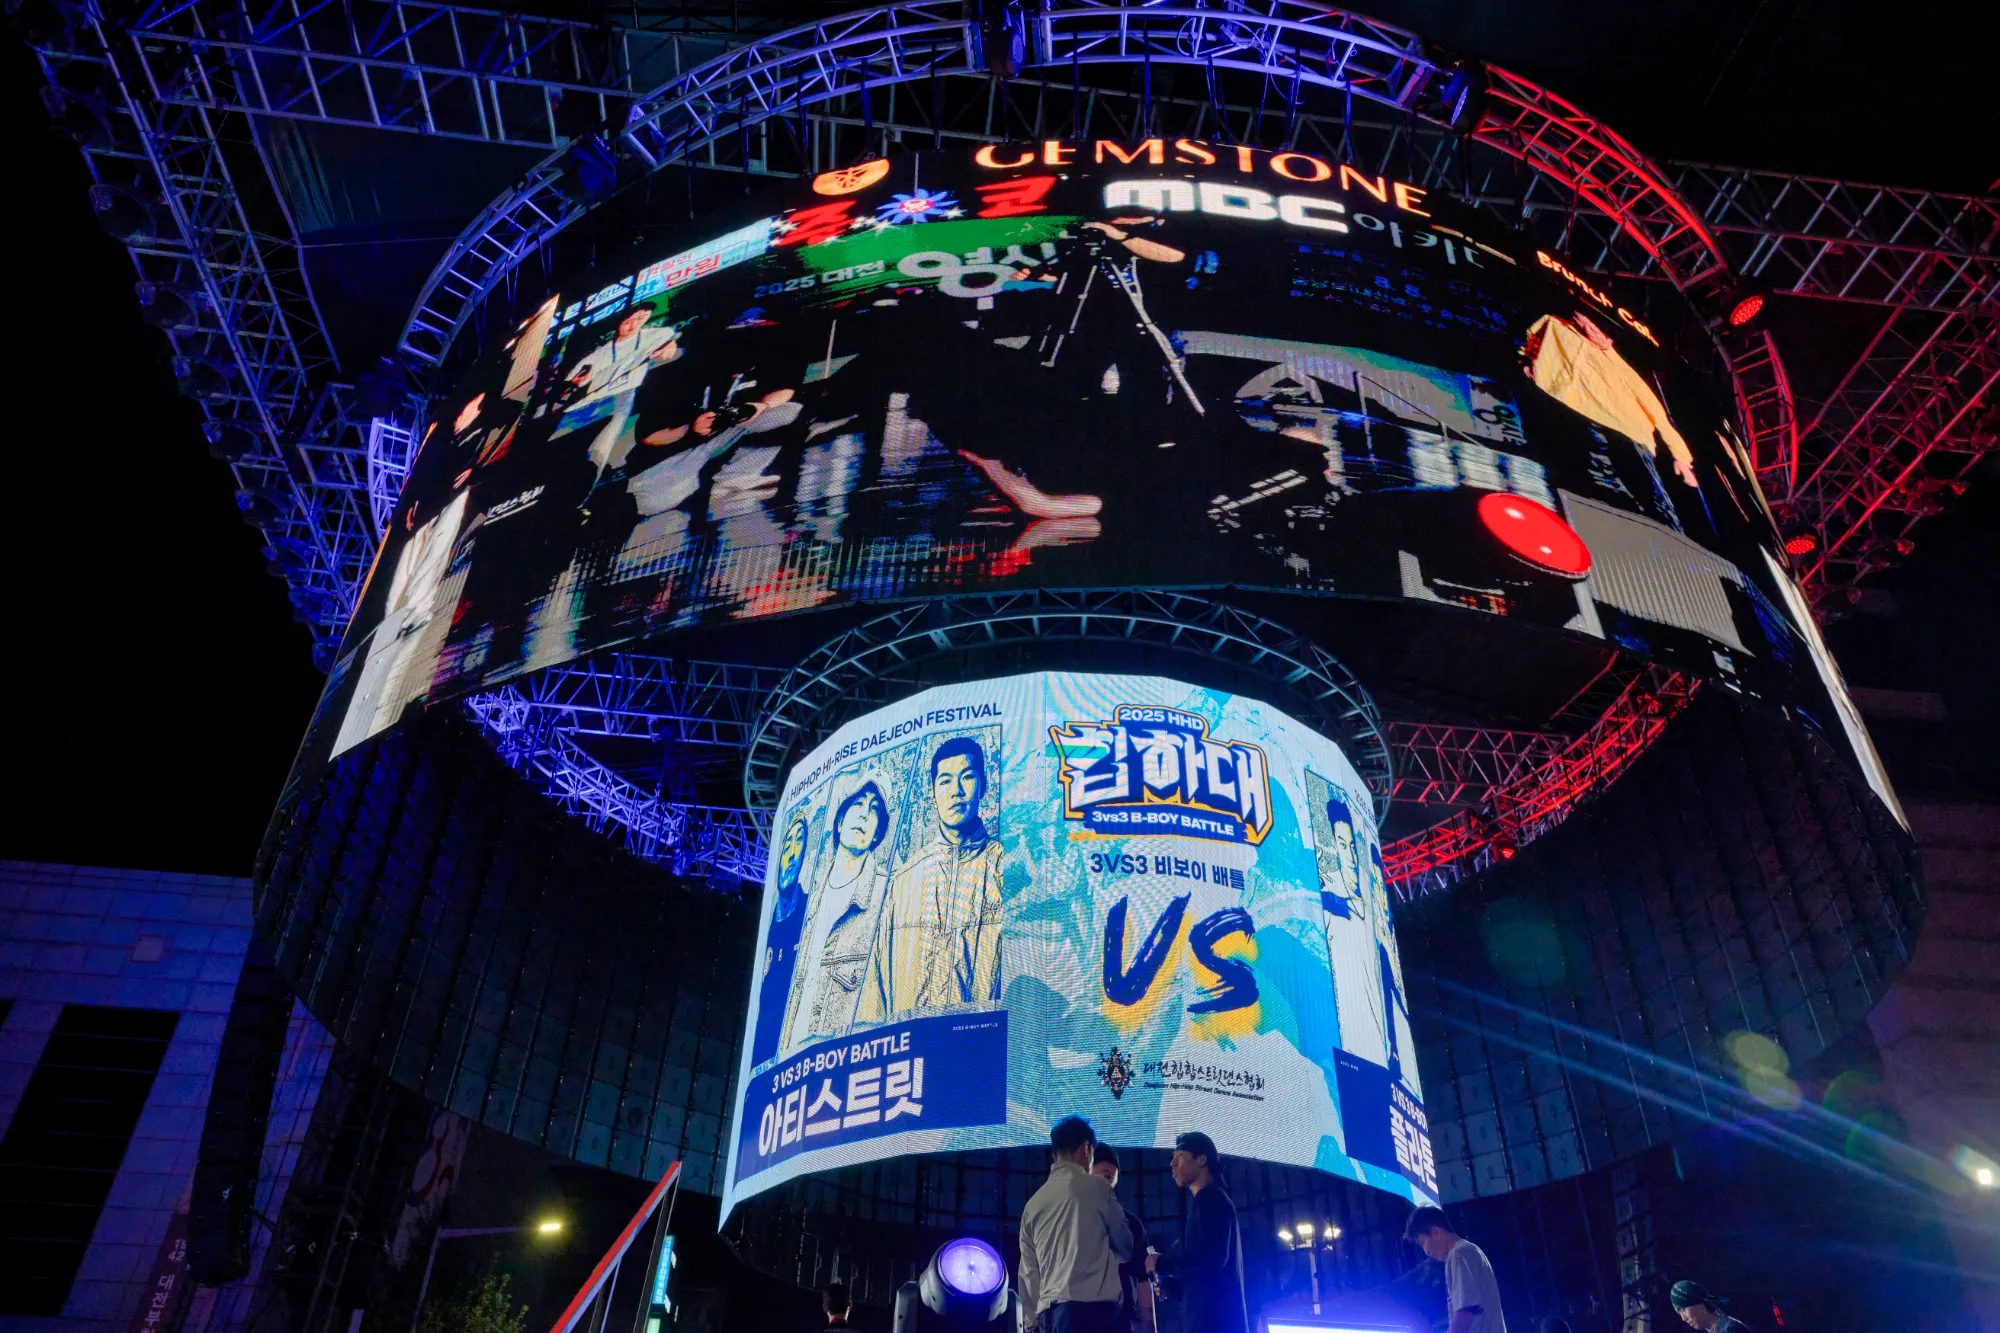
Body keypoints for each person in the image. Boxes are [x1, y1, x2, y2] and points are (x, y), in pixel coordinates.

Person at [857, 736, 1004, 1021]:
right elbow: (875, 990)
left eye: (967, 778)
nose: (956, 791)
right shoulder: (904, 882)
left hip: (982, 1042)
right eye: (945, 781)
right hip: (913, 1043)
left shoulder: (1004, 870)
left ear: (984, 785)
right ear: (933, 793)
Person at [780, 777, 895, 1053]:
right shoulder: (811, 899)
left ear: (877, 833)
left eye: (874, 809)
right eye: (858, 804)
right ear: (840, 822)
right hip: (794, 1058)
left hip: (846, 1060)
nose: (865, 814)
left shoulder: (887, 893)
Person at [1018, 1116, 1134, 1333]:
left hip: (1048, 1318)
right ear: (1085, 1149)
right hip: (1091, 1315)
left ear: (1055, 1153)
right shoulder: (1098, 1188)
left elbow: (1028, 1274)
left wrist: (1031, 1323)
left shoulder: (1032, 1206)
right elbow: (1126, 1246)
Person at [1144, 1132, 1248, 1333]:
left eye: (1179, 1156)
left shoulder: (1210, 1200)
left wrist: (1162, 1263)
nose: (1172, 1164)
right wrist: (1171, 1284)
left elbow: (1212, 1258)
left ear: (1202, 1160)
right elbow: (1204, 1274)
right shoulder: (1208, 1200)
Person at [1404, 1206, 1507, 1333]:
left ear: (1436, 1232)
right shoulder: (1467, 1251)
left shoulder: (1459, 1253)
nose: (1426, 1251)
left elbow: (1465, 1312)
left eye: (1422, 1243)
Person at [1090, 1144, 1155, 1333]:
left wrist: (1149, 1325)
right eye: (1100, 1163)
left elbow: (1143, 1278)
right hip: (1081, 1316)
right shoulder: (1071, 1216)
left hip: (1120, 1319)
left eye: (1113, 1167)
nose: (1108, 1169)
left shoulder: (1131, 1223)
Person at [1670, 1280, 1750, 1333]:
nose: (1683, 1318)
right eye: (1679, 1312)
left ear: (1700, 1304)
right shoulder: (1719, 1328)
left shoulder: (1730, 1329)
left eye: (1683, 1309)